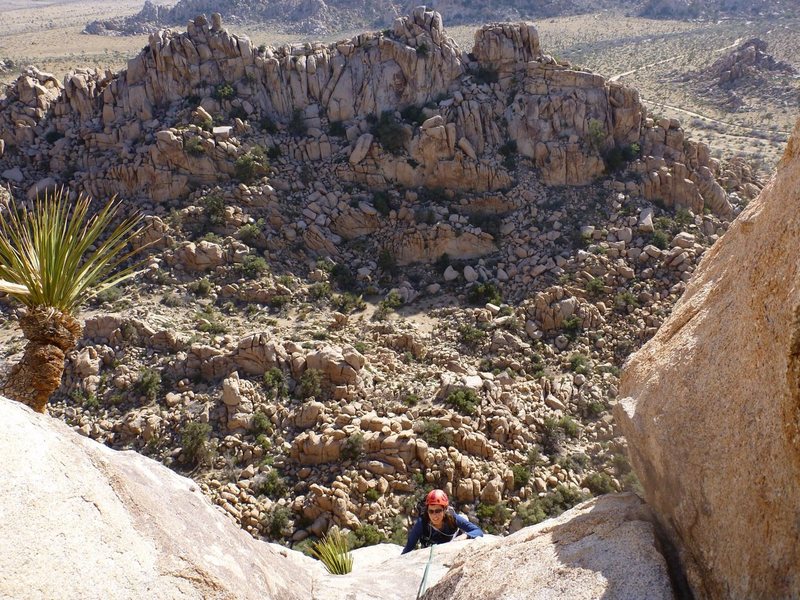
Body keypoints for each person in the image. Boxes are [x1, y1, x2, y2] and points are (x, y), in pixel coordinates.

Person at [401, 489, 483, 554]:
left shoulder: (452, 518)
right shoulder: (422, 523)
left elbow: (478, 531)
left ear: (445, 510)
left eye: (438, 511)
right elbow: (409, 547)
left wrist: (465, 536)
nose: (434, 515)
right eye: (431, 511)